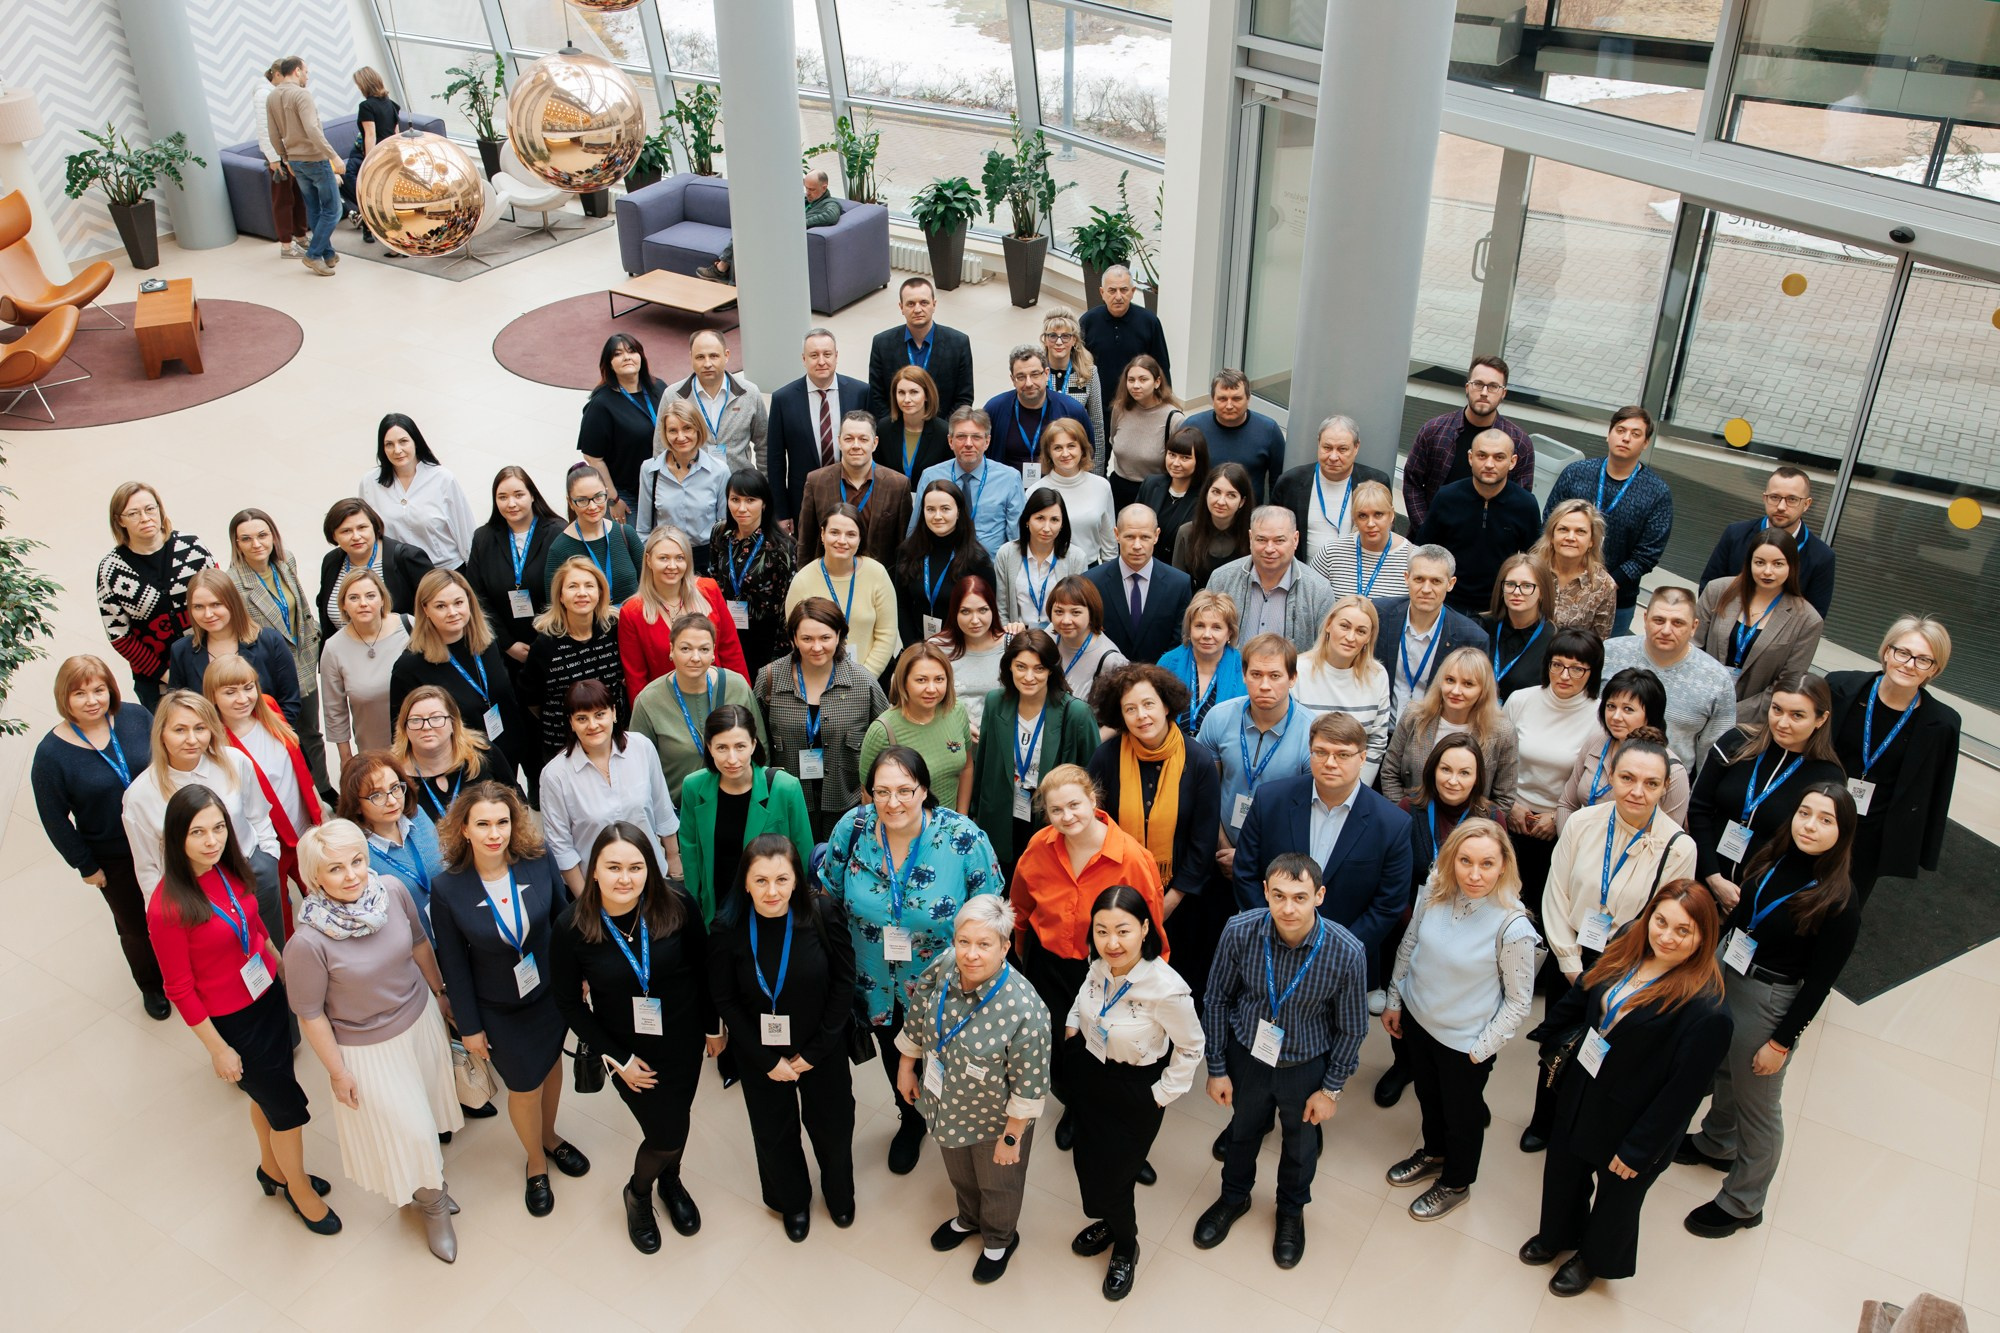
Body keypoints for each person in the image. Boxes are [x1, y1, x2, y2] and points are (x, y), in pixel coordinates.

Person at [1520, 881, 1731, 1297]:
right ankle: (1558, 1234)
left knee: (1617, 1200)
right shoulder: (1627, 942)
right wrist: (1550, 1036)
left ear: (1704, 936)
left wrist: (1638, 1150)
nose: (1666, 937)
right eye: (1661, 921)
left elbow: (1682, 1095)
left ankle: (1593, 1261)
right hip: (1583, 1086)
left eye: (1683, 930)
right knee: (1564, 1168)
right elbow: (1588, 990)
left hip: (1637, 1118)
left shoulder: (1708, 1010)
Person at [148, 786, 337, 1234]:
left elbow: (252, 925)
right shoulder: (166, 907)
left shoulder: (227, 869)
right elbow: (179, 989)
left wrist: (282, 966)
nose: (212, 841)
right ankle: (297, 1188)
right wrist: (218, 1050)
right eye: (198, 833)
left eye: (218, 828)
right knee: (288, 1108)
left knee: (270, 1095)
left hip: (267, 995)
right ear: (177, 838)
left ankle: (272, 1169)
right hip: (233, 1022)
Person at [1678, 783, 1861, 1238]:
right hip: (1730, 972)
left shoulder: (1840, 900)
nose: (1810, 825)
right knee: (1723, 1070)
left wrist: (1781, 1041)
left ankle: (1744, 1201)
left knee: (1759, 1104)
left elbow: (1819, 983)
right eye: (1805, 812)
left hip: (1769, 998)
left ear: (1844, 831)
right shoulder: (1771, 857)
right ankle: (1717, 1140)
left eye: (1825, 819)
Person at [286, 822, 460, 1261]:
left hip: (418, 1020)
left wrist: (440, 995)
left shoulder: (392, 890)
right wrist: (337, 1072)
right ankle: (434, 1205)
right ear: (314, 877)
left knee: (428, 1114)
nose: (352, 875)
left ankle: (426, 1183)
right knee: (413, 1132)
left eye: (358, 861)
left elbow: (420, 945)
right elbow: (310, 1015)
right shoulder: (307, 942)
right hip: (367, 1049)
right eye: (336, 868)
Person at [823, 748, 1004, 1172]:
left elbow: (993, 911)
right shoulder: (852, 828)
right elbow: (829, 894)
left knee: (950, 1058)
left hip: (947, 982)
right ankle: (911, 1119)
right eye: (882, 791)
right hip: (876, 982)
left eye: (905, 790)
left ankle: (958, 1126)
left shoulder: (963, 839)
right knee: (894, 1051)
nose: (893, 802)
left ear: (925, 790)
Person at [1193, 854, 1367, 1269]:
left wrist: (1331, 1090)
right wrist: (1216, 1066)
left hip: (1307, 1065)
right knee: (1242, 1132)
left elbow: (1353, 1029)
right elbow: (1216, 999)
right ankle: (1233, 1198)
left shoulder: (1346, 952)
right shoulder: (1240, 931)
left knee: (1301, 1146)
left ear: (1319, 896)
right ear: (1266, 893)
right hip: (1248, 1055)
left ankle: (1290, 1211)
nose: (1288, 908)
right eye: (1279, 896)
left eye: (1300, 897)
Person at [429, 782, 588, 1217]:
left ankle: (550, 1137)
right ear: (463, 829)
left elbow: (563, 922)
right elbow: (454, 965)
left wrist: (581, 977)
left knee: (552, 1065)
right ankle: (535, 1162)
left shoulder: (538, 863)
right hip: (497, 1007)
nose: (494, 833)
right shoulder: (447, 889)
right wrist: (471, 1026)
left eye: (502, 821)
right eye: (482, 824)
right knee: (523, 1085)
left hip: (549, 993)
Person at [550, 824, 712, 1247]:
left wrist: (713, 1027)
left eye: (636, 867)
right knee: (666, 1133)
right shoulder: (572, 926)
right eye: (614, 867)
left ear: (651, 868)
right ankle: (638, 1193)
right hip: (627, 1050)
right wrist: (618, 1059)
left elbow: (704, 970)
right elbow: (568, 1004)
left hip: (684, 1039)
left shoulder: (677, 904)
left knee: (677, 1118)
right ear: (594, 871)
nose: (626, 878)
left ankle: (670, 1182)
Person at [1381, 818, 1538, 1221]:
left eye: (1486, 864)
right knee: (1429, 1100)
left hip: (1464, 1044)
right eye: (1465, 861)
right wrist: (1396, 999)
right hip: (1419, 1023)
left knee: (1462, 1119)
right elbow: (1410, 943)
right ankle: (1433, 1154)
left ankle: (1455, 1182)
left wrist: (1478, 1051)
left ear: (1504, 865)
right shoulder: (1435, 891)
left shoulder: (1513, 925)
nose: (1474, 874)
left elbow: (1519, 1003)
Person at [1010, 764, 1171, 1154]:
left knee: (1105, 1051)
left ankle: (1101, 1121)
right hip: (1049, 967)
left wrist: (1153, 985)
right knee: (1060, 1050)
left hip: (1107, 973)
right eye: (1055, 810)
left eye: (1074, 805)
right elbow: (1020, 906)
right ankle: (1073, 1107)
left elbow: (1153, 924)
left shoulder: (1132, 858)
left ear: (1093, 800)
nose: (1067, 817)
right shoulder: (1039, 847)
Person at [706, 835, 858, 1241]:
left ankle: (839, 1192)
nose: (771, 891)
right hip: (761, 1054)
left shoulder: (823, 913)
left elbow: (844, 983)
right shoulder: (727, 927)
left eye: (781, 879)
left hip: (821, 1049)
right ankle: (791, 1201)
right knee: (774, 1131)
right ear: (745, 883)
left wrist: (816, 1050)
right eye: (760, 881)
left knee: (833, 1125)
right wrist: (763, 1058)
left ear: (797, 881)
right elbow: (724, 997)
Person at [897, 895, 1051, 1283]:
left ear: (1005, 946)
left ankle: (999, 1238)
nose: (971, 955)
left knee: (998, 1184)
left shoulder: (1025, 1011)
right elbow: (917, 1012)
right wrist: (906, 1066)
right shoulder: (946, 965)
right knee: (960, 1173)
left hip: (995, 1120)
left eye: (985, 945)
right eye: (964, 941)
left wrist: (1011, 1139)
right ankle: (968, 1218)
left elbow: (1030, 1086)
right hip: (945, 1102)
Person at [1063, 885, 1205, 1301]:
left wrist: (1161, 1094)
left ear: (1145, 928)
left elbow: (1192, 1046)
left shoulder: (1167, 988)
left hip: (1135, 1091)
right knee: (1088, 1163)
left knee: (1116, 1179)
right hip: (1091, 1076)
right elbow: (1083, 997)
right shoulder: (1099, 963)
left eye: (1123, 930)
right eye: (1101, 931)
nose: (1111, 943)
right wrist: (1073, 1028)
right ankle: (1109, 1220)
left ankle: (1126, 1245)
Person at [1231, 710, 1412, 1021]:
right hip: (1269, 945)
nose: (1330, 762)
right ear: (1310, 751)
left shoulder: (1392, 823)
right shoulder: (1271, 799)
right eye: (1321, 752)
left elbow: (1388, 905)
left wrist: (1334, 949)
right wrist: (1274, 928)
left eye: (1343, 754)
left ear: (1363, 757)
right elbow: (1246, 872)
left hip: (1340, 960)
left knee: (1330, 1043)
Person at [32, 656, 167, 1018]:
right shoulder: (51, 755)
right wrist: (86, 865)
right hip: (114, 855)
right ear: (65, 697)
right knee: (136, 927)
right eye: (80, 693)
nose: (92, 700)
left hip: (162, 840)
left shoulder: (137, 718)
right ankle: (152, 986)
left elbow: (165, 765)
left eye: (99, 689)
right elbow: (55, 819)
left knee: (177, 907)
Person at [1373, 734, 1495, 1107]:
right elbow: (1393, 879)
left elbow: (1497, 887)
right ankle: (1403, 1064)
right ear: (1432, 770)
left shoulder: (1490, 819)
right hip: (1407, 923)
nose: (1453, 780)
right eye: (1446, 769)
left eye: (1464, 772)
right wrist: (1417, 926)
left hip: (1468, 936)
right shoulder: (1408, 810)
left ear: (1478, 778)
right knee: (1405, 1002)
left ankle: (1461, 1086)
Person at [1538, 734, 1696, 1003]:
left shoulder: (1679, 847)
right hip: (1569, 953)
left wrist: (1616, 975)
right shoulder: (1580, 823)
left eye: (1651, 783)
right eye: (1627, 778)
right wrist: (1570, 964)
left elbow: (1665, 922)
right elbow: (1556, 894)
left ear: (1665, 786)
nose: (1637, 792)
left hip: (1628, 968)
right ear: (1611, 776)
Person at [123, 691, 283, 939]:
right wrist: (163, 917)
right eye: (179, 730)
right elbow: (147, 866)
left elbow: (259, 814)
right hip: (195, 893)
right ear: (161, 734)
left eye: (200, 728)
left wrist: (268, 858)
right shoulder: (139, 796)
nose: (191, 739)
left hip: (251, 870)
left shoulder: (235, 761)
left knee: (273, 952)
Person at [1823, 616, 1958, 903]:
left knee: (1844, 907)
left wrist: (1925, 850)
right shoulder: (1838, 687)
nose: (1910, 664)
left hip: (1873, 833)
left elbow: (1938, 790)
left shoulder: (1942, 723)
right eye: (1903, 653)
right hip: (1819, 811)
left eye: (1924, 660)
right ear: (1887, 651)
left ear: (1934, 669)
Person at [1688, 676, 1846, 912]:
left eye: (1797, 715)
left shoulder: (1827, 777)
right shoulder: (1735, 742)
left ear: (1821, 719)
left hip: (1756, 897)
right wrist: (1713, 877)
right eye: (1777, 709)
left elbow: (1804, 850)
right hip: (1699, 874)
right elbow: (1699, 808)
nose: (1782, 722)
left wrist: (1752, 892)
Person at [1086, 663, 1221, 915]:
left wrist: (1171, 900)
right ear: (1121, 716)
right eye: (1130, 709)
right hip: (1113, 892)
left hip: (1181, 898)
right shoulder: (1105, 757)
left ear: (1166, 706)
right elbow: (1093, 826)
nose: (1141, 716)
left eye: (1149, 704)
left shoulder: (1198, 761)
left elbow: (1203, 841)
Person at [753, 598, 890, 841]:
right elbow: (756, 742)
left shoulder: (863, 682)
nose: (816, 647)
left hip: (846, 804)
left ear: (839, 636)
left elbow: (887, 741)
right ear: (794, 638)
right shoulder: (770, 678)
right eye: (807, 639)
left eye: (825, 638)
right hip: (787, 802)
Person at [970, 630, 1102, 878]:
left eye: (1039, 669)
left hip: (1052, 816)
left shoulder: (1076, 713)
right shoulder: (995, 702)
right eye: (1021, 667)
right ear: (1009, 666)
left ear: (1051, 670)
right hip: (1002, 816)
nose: (1029, 677)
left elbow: (1093, 778)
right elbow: (985, 760)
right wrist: (976, 811)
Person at [205, 655, 323, 919]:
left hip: (306, 826)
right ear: (212, 697)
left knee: (326, 896)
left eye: (248, 688)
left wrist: (319, 808)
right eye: (230, 692)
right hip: (269, 842)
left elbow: (297, 767)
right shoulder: (218, 746)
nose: (243, 698)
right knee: (280, 913)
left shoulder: (268, 708)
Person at [540, 679, 681, 892]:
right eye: (582, 718)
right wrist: (584, 903)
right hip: (597, 889)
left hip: (651, 877)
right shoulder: (555, 775)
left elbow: (662, 808)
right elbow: (561, 848)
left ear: (614, 713)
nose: (593, 725)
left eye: (600, 714)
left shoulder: (641, 747)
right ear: (571, 723)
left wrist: (672, 859)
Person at [389, 568, 533, 777]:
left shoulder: (487, 642)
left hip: (507, 754)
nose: (453, 612)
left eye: (458, 603)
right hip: (462, 771)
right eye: (441, 606)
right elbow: (401, 737)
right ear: (425, 609)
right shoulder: (409, 667)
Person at [1541, 407, 1672, 635]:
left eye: (1635, 433)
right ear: (1608, 434)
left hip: (1617, 597)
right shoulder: (1576, 473)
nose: (1626, 437)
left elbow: (1648, 554)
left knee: (1599, 659)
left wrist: (1603, 586)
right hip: (1557, 587)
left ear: (1646, 443)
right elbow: (1549, 522)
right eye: (1620, 430)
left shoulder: (1657, 493)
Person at [677, 706, 813, 925]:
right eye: (722, 747)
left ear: (753, 745)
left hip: (770, 906)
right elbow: (691, 854)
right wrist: (694, 909)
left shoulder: (785, 788)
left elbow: (803, 854)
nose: (732, 759)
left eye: (740, 746)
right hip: (717, 908)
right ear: (709, 748)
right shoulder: (694, 787)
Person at [1502, 629, 1607, 906]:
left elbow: (1594, 784)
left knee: (1539, 905)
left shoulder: (1600, 716)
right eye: (1557, 664)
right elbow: (1496, 759)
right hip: (1510, 815)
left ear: (1592, 672)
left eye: (1576, 669)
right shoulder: (1520, 700)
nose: (1564, 675)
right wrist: (1510, 805)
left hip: (1560, 827)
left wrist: (1558, 818)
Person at [97, 481, 218, 712]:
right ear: (120, 520)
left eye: (150, 509)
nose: (145, 518)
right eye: (133, 513)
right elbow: (120, 636)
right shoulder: (111, 570)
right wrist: (167, 675)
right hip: (157, 682)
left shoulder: (192, 547)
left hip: (211, 665)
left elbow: (223, 599)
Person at [228, 508, 327, 789]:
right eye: (246, 539)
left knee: (312, 732)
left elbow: (300, 608)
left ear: (273, 536)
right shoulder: (234, 582)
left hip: (304, 660)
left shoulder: (285, 563)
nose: (256, 544)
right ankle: (299, 791)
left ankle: (323, 787)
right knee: (282, 735)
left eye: (262, 535)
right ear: (237, 544)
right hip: (272, 673)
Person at [1695, 528, 1825, 724]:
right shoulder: (1717, 590)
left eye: (1778, 564)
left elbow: (1785, 685)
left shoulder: (1807, 620)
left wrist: (1729, 714)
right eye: (1760, 562)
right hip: (1697, 702)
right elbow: (1692, 648)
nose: (1767, 571)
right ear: (1749, 563)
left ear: (1792, 566)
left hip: (1752, 721)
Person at [629, 612, 762, 802]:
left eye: (704, 649)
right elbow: (638, 768)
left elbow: (760, 746)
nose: (695, 657)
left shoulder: (736, 686)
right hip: (679, 811)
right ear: (671, 649)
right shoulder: (649, 701)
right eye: (685, 649)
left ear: (714, 651)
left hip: (740, 802)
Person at [1601, 588, 1739, 767]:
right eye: (1658, 620)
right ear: (1645, 619)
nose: (1666, 630)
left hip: (1668, 784)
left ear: (1694, 627)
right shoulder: (1609, 653)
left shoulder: (1716, 679)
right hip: (1596, 772)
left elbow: (1713, 755)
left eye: (1678, 623)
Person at [1415, 428, 1542, 616]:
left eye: (1499, 457)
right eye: (1482, 456)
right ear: (1470, 457)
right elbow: (1424, 551)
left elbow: (1533, 562)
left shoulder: (1525, 505)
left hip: (1498, 608)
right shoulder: (1447, 497)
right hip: (1446, 603)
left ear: (1512, 461)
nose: (1489, 464)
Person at [463, 468, 564, 703]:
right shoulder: (483, 538)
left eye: (519, 494)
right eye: (502, 497)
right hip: (505, 648)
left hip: (553, 641)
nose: (511, 503)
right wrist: (508, 644)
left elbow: (567, 591)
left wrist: (542, 644)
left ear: (532, 495)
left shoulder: (558, 532)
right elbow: (477, 597)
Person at [1402, 354, 1535, 527]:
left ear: (1503, 393)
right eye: (1478, 384)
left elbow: (1520, 501)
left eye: (1493, 386)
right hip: (1434, 541)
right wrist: (1426, 530)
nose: (1484, 392)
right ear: (1467, 387)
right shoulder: (1434, 430)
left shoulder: (1519, 443)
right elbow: (1412, 482)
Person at [620, 524, 749, 701]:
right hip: (667, 707)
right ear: (649, 560)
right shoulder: (632, 612)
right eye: (663, 558)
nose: (672, 566)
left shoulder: (709, 591)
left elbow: (731, 651)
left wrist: (742, 701)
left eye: (679, 558)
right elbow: (636, 679)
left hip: (718, 699)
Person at [1382, 647, 1520, 810]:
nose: (1455, 691)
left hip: (1469, 827)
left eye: (1468, 684)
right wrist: (1404, 816)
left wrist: (1470, 832)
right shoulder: (1414, 716)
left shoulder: (1502, 732)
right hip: (1411, 817)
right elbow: (1389, 772)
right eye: (1450, 680)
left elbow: (1504, 798)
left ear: (1483, 690)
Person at [1558, 667, 1692, 831]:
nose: (1615, 717)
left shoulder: (1673, 770)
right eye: (1611, 706)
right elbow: (1567, 804)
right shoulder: (1596, 742)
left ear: (1650, 715)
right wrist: (1570, 848)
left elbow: (1668, 836)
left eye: (1628, 709)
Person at [167, 568, 303, 725]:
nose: (208, 614)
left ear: (233, 603)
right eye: (198, 607)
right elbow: (178, 709)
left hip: (267, 739)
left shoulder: (270, 641)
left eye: (216, 604)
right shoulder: (181, 651)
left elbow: (290, 703)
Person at [522, 556, 626, 760]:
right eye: (572, 586)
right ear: (560, 596)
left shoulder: (614, 629)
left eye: (589, 585)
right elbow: (532, 699)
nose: (582, 593)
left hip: (611, 739)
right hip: (564, 746)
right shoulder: (545, 644)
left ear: (600, 592)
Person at [1700, 464, 1836, 618]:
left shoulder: (1821, 556)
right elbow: (1708, 589)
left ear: (1806, 504)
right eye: (1774, 497)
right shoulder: (1735, 534)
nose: (1781, 507)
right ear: (1765, 498)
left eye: (1792, 499)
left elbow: (1814, 618)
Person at [770, 327, 871, 528]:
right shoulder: (783, 399)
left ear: (836, 356)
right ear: (803, 359)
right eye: (814, 355)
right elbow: (775, 461)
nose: (821, 361)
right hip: (804, 499)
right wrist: (781, 512)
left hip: (853, 493)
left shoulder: (860, 392)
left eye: (827, 354)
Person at [1371, 546, 1487, 721]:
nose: (1426, 589)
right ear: (1406, 578)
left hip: (1431, 736)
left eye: (1436, 581)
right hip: (1377, 727)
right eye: (1419, 579)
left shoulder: (1471, 637)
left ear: (1451, 584)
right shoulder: (1379, 614)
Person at [336, 750, 447, 930]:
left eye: (395, 788)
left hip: (452, 929)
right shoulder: (355, 852)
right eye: (377, 795)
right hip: (409, 945)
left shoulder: (418, 815)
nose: (392, 801)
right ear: (356, 805)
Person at [784, 505, 899, 677]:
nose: (842, 540)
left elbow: (887, 634)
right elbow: (796, 636)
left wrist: (865, 678)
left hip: (870, 678)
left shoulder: (877, 574)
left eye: (851, 534)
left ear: (860, 538)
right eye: (835, 532)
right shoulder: (803, 580)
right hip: (818, 677)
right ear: (822, 534)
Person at [861, 644, 975, 812]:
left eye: (939, 679)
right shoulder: (883, 730)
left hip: (949, 829)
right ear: (903, 681)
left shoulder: (956, 711)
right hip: (903, 831)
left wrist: (962, 817)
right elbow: (868, 795)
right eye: (921, 680)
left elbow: (966, 767)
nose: (931, 689)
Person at [1206, 507, 1336, 653]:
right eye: (1261, 539)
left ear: (1295, 540)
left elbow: (1325, 651)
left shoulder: (1318, 591)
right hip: (1231, 674)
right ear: (1250, 538)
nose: (1269, 548)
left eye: (1279, 541)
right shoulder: (1222, 579)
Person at [357, 415, 476, 570]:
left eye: (403, 441)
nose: (397, 450)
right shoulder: (370, 482)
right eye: (389, 444)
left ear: (415, 442)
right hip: (398, 572)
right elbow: (366, 530)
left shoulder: (442, 478)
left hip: (443, 571)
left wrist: (474, 574)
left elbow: (465, 530)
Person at [709, 468, 797, 675]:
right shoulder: (720, 533)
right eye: (735, 499)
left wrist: (780, 656)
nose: (741, 508)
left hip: (765, 638)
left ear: (764, 503)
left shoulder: (782, 547)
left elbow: (788, 604)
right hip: (726, 632)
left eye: (750, 500)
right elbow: (713, 579)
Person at [1293, 599, 1392, 781]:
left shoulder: (1377, 676)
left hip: (1353, 786)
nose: (1351, 637)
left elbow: (1376, 743)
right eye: (1345, 626)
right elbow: (1291, 740)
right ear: (1329, 624)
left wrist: (1353, 792)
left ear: (1369, 637)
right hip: (1301, 781)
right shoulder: (1298, 670)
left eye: (1361, 631)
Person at [1274, 414, 1394, 562]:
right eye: (1327, 448)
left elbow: (1387, 534)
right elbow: (1274, 533)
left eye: (1342, 449)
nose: (1333, 456)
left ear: (1356, 447)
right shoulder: (1290, 482)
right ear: (1318, 443)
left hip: (1357, 577)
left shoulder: (1376, 481)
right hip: (1303, 576)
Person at [316, 497, 434, 644]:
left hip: (403, 655)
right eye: (346, 531)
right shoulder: (332, 561)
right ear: (334, 536)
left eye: (362, 527)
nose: (356, 536)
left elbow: (435, 607)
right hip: (348, 658)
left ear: (374, 526)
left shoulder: (407, 557)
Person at [266, 56, 345, 276]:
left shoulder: (272, 97)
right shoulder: (302, 95)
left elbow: (273, 133)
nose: (307, 76)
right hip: (315, 159)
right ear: (298, 71)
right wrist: (334, 156)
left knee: (314, 207)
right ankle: (313, 255)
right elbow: (312, 128)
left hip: (295, 161)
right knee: (333, 209)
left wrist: (285, 158)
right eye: (307, 72)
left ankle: (328, 255)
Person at [893, 480, 996, 648]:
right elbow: (901, 605)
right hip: (919, 647)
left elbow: (989, 612)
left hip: (962, 649)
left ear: (958, 512)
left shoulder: (978, 559)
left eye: (945, 509)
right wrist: (914, 648)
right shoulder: (908, 552)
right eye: (930, 509)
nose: (937, 516)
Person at [393, 685, 518, 823]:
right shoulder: (394, 774)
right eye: (416, 720)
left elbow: (517, 803)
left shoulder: (482, 751)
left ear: (453, 722)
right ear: (404, 727)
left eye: (436, 718)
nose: (426, 727)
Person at [698, 168, 840, 289]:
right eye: (806, 188)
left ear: (824, 187)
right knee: (745, 233)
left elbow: (831, 216)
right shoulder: (804, 200)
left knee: (746, 239)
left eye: (812, 189)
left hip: (786, 242)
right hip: (777, 233)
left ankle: (724, 273)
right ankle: (729, 280)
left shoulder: (829, 204)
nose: (808, 193)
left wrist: (795, 223)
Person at [578, 333, 669, 521]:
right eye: (618, 354)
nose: (627, 357)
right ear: (609, 363)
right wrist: (613, 499)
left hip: (665, 485)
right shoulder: (601, 404)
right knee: (637, 548)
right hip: (627, 493)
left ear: (641, 357)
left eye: (632, 351)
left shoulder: (659, 389)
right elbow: (593, 458)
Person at [1086, 505, 1193, 665]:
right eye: (1129, 537)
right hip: (1106, 679)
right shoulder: (1092, 582)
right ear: (1116, 534)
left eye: (1145, 537)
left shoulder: (1178, 584)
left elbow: (1179, 641)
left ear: (1156, 536)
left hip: (1160, 679)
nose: (1137, 546)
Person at [913, 407, 1026, 558]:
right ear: (950, 441)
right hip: (942, 567)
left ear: (987, 441)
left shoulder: (1009, 479)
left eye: (976, 437)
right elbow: (915, 531)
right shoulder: (930, 476)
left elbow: (1017, 539)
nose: (968, 443)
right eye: (961, 436)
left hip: (990, 569)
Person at [663, 328, 767, 476]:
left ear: (726, 355)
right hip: (693, 488)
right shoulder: (673, 395)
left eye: (713, 356)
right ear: (691, 357)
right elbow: (661, 448)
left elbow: (764, 444)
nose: (707, 363)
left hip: (739, 489)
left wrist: (764, 486)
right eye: (700, 357)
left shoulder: (749, 393)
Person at [544, 461, 647, 606]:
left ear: (606, 493)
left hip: (632, 624)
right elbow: (555, 605)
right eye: (582, 500)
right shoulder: (560, 549)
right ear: (570, 502)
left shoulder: (626, 534)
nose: (592, 506)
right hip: (588, 627)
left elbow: (651, 585)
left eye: (598, 497)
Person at [868, 276, 975, 415]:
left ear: (934, 305)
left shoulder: (959, 343)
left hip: (942, 430)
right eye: (911, 304)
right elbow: (877, 397)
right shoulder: (882, 344)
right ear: (901, 307)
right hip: (897, 430)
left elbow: (964, 398)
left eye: (924, 302)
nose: (917, 309)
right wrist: (893, 430)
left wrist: (942, 432)